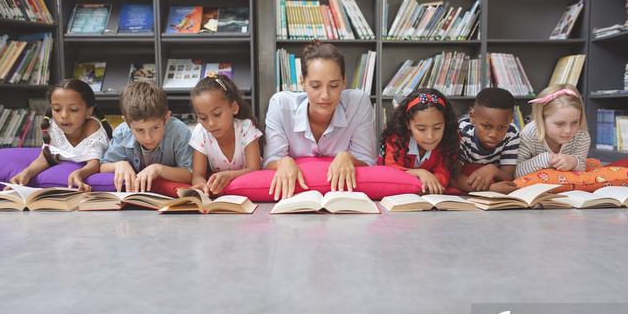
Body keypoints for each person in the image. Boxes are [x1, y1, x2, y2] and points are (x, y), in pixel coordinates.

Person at [263, 39, 377, 200]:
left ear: (344, 82)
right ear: (302, 83)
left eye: (334, 86)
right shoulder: (281, 106)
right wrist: (283, 162)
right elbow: (269, 161)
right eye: (316, 86)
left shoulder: (359, 104)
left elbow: (369, 162)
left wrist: (348, 157)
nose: (325, 96)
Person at [8, 78, 112, 192]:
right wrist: (26, 173)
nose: (64, 115)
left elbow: (94, 164)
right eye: (57, 109)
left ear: (88, 112)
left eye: (73, 110)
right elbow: (45, 158)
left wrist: (79, 173)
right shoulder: (53, 127)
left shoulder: (92, 126)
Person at [100, 80, 192, 192]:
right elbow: (103, 166)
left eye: (155, 128)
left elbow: (190, 174)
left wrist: (158, 169)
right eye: (139, 130)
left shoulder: (179, 132)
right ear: (128, 123)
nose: (148, 137)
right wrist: (119, 165)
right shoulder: (122, 132)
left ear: (166, 118)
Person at [189, 75, 265, 195]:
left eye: (217, 114)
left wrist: (229, 175)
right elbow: (197, 175)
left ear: (234, 108)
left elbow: (255, 169)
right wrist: (203, 185)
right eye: (203, 118)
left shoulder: (245, 128)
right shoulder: (201, 133)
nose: (211, 123)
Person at [380, 88, 460, 194]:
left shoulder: (449, 140)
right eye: (421, 129)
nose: (430, 136)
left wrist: (426, 187)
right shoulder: (397, 137)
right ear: (408, 124)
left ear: (446, 123)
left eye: (437, 128)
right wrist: (420, 173)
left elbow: (443, 174)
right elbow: (392, 169)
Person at [450, 87, 520, 194]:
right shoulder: (461, 132)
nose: (493, 135)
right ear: (473, 118)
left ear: (511, 120)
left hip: (487, 181)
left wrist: (493, 170)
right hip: (468, 181)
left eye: (502, 127)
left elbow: (508, 176)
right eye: (486, 126)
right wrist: (491, 189)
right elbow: (454, 178)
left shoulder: (512, 132)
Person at [515, 84, 590, 177]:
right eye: (559, 124)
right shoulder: (529, 134)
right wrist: (544, 159)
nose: (568, 131)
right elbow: (515, 172)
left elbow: (582, 168)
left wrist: (574, 162)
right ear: (541, 119)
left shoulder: (581, 136)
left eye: (574, 122)